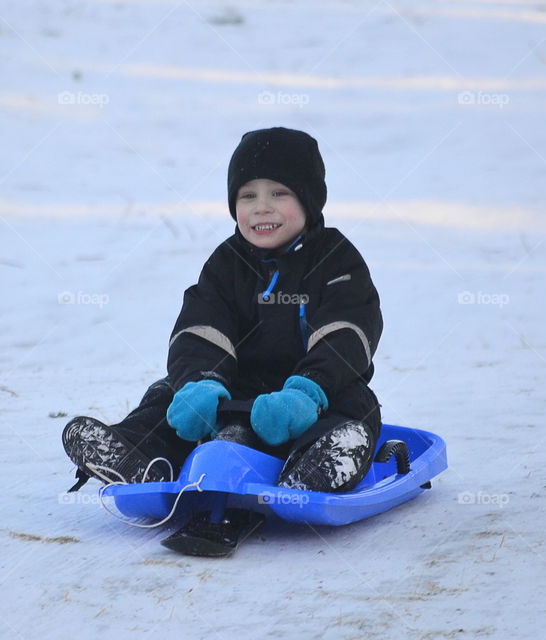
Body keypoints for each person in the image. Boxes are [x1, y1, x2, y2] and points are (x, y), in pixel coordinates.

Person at [62, 127, 383, 495]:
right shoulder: (227, 262)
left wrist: (308, 391)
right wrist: (201, 383)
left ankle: (316, 463)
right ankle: (139, 455)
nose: (262, 206)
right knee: (165, 396)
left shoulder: (335, 258)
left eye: (279, 193)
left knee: (356, 405)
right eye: (248, 196)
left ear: (309, 200)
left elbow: (347, 330)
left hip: (311, 397)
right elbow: (201, 327)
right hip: (231, 393)